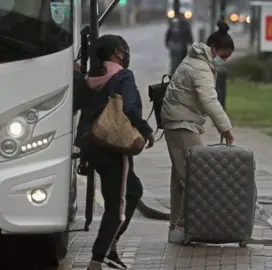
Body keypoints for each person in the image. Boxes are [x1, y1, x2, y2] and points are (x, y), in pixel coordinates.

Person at [75, 34, 155, 270]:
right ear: (114, 53)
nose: (125, 53)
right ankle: (98, 259)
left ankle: (110, 247)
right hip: (112, 146)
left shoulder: (88, 76)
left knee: (134, 189)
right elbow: (129, 107)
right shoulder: (123, 75)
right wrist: (146, 130)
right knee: (116, 205)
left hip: (89, 142)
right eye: (122, 50)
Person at [161, 21, 235, 244]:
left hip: (177, 122)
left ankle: (176, 228)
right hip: (181, 124)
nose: (222, 62)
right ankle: (183, 227)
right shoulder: (201, 67)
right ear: (213, 49)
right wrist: (226, 128)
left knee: (181, 178)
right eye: (222, 56)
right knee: (196, 176)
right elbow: (209, 100)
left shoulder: (194, 60)